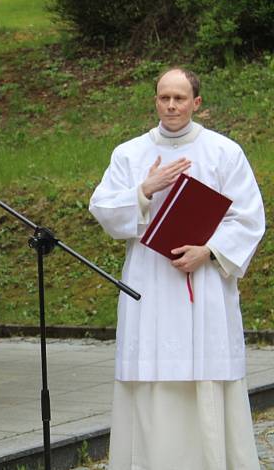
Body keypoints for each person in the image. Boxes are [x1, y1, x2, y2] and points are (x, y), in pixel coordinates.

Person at [89, 68, 265, 469]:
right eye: (164, 97)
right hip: (149, 283)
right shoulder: (129, 154)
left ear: (196, 102)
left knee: (204, 381)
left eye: (180, 98)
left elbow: (249, 218)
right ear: (155, 100)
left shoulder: (224, 152)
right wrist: (144, 191)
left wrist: (210, 250)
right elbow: (103, 209)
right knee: (154, 386)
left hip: (203, 286)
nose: (171, 105)